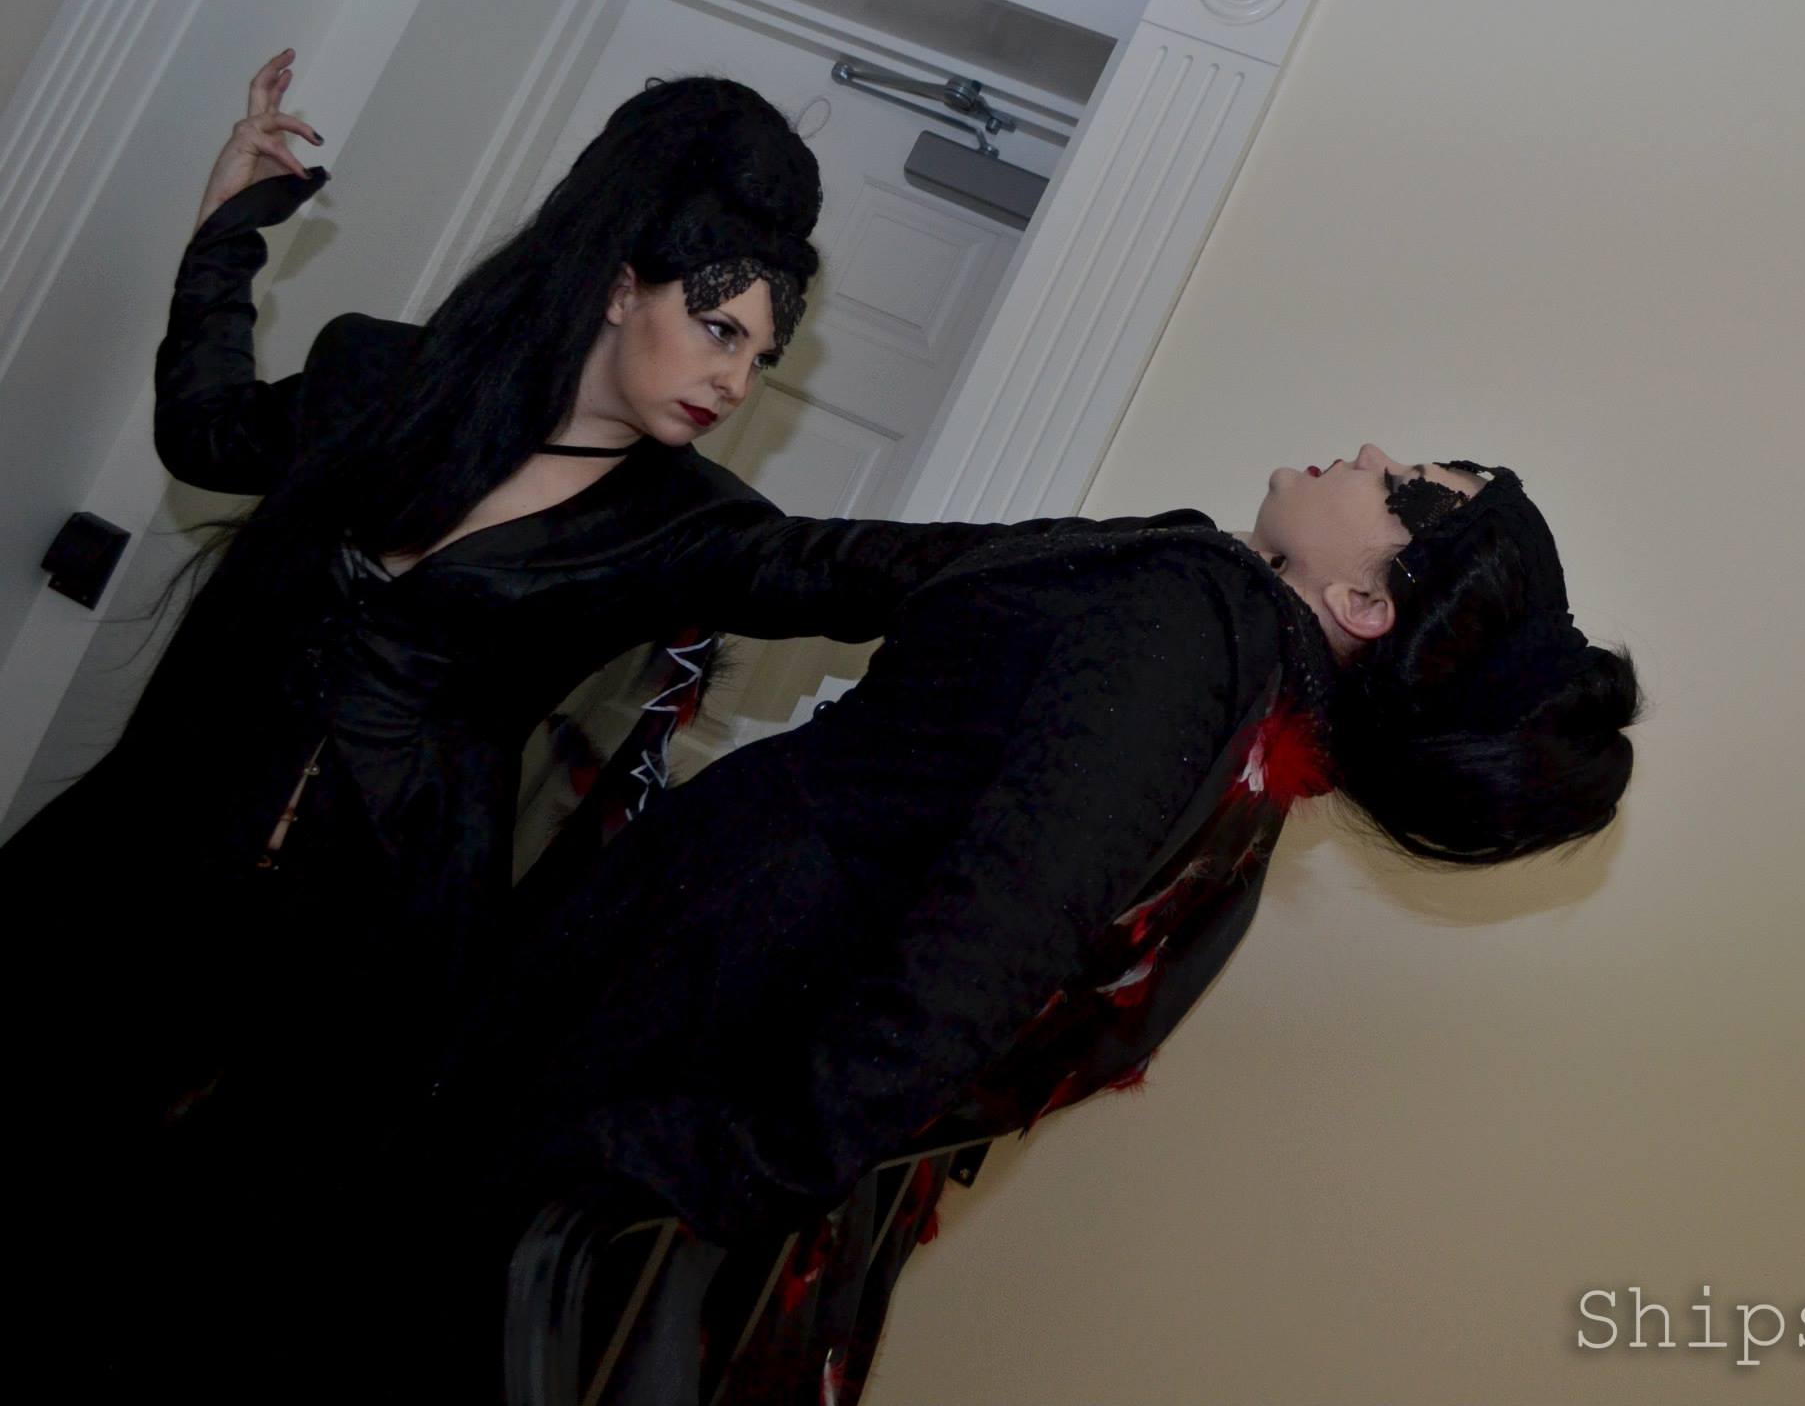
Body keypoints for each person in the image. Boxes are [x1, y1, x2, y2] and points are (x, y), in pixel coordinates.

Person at [0, 53, 1075, 1397]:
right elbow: (206, 431)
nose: (736, 379)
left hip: (360, 977)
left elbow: (866, 567)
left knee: (170, 1291)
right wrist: (225, 233)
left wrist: (1149, 559)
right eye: (718, 328)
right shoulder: (379, 376)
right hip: (133, 871)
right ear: (621, 287)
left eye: (761, 355)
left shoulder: (685, 525)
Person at [403, 446, 1642, 1402]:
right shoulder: (1212, 634)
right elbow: (863, 565)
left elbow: (984, 950)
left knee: (414, 1297)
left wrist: (726, 1162)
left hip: (691, 1007)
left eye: (1402, 486)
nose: (1368, 453)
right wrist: (555, 536)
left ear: (1363, 602)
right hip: (695, 982)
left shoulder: (1192, 630)